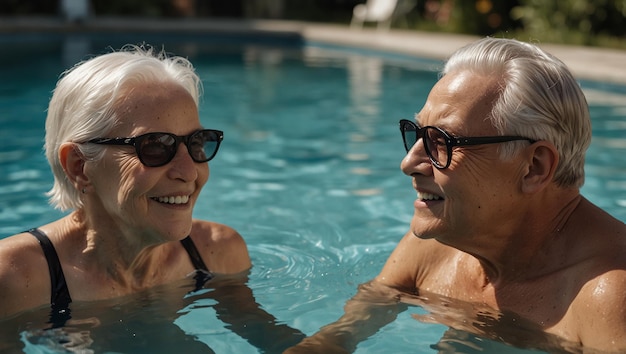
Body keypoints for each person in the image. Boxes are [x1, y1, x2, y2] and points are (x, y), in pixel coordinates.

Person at [286, 37, 626, 353]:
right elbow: (343, 332)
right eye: (417, 135)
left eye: (443, 141)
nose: (409, 163)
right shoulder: (440, 241)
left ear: (534, 167)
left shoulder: (607, 297)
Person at [0, 45, 251, 318]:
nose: (189, 173)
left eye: (197, 143)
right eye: (155, 146)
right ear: (79, 166)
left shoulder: (217, 253)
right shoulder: (15, 280)